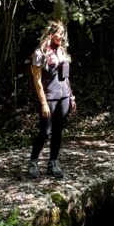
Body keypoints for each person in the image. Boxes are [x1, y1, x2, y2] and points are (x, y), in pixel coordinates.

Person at [27, 20, 76, 179]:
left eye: (63, 34)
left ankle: (53, 162)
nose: (62, 37)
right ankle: (33, 162)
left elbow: (66, 76)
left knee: (58, 131)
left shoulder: (62, 51)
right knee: (45, 132)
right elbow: (37, 80)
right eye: (60, 33)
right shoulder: (39, 53)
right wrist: (43, 103)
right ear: (51, 34)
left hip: (64, 97)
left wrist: (72, 96)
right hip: (49, 98)